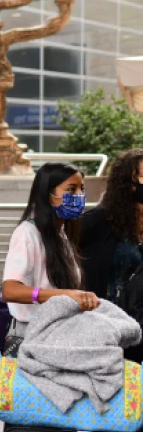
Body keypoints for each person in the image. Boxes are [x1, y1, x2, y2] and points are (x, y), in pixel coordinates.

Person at [3, 162, 100, 336]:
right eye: (71, 189)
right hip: (32, 334)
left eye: (81, 189)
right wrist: (65, 295)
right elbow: (10, 290)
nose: (79, 195)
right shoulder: (27, 234)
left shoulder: (61, 234)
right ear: (48, 194)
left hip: (59, 332)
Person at [80, 149, 143, 361]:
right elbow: (60, 250)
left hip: (137, 328)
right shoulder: (100, 219)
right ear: (128, 183)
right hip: (104, 327)